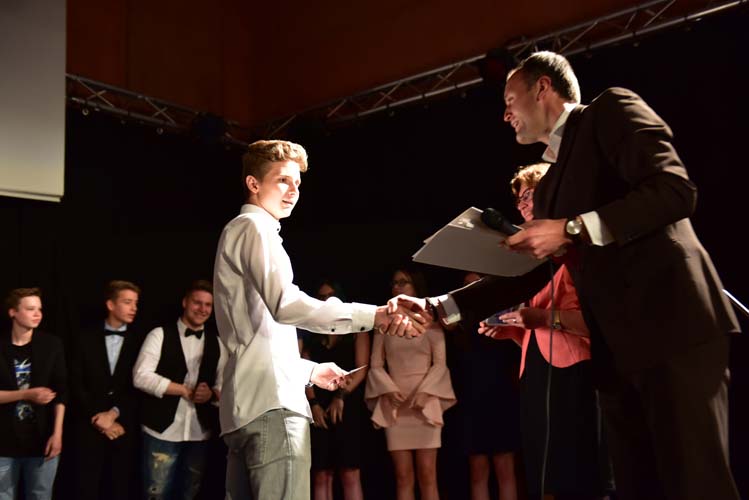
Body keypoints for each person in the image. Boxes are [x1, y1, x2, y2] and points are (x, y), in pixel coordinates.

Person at [396, 51, 739, 500]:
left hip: (671, 326)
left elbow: (675, 191)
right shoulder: (552, 185)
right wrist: (440, 306)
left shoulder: (610, 110)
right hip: (616, 351)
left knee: (696, 483)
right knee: (640, 487)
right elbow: (535, 270)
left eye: (510, 100)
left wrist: (571, 228)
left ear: (543, 87)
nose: (505, 115)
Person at [212, 139, 427, 500]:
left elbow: (253, 337)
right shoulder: (254, 228)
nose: (293, 191)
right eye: (283, 180)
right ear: (253, 183)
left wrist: (309, 371)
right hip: (271, 409)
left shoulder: (238, 231)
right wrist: (374, 314)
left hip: (244, 409)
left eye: (297, 183)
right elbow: (286, 305)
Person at [479, 163, 612, 500]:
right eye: (519, 199)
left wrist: (543, 318)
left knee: (576, 475)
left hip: (575, 372)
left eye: (529, 195)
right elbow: (537, 326)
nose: (522, 204)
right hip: (535, 372)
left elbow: (601, 323)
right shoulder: (528, 262)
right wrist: (512, 331)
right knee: (545, 476)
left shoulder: (577, 251)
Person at [365, 266, 456, 500]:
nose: (398, 287)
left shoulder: (431, 323)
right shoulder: (384, 324)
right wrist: (388, 390)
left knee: (428, 475)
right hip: (396, 405)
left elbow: (440, 364)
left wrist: (425, 392)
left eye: (403, 282)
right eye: (395, 283)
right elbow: (376, 365)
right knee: (403, 476)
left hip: (425, 403)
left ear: (416, 286)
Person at [133, 280, 227, 500]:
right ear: (185, 302)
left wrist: (212, 394)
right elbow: (140, 376)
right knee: (156, 493)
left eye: (208, 305)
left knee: (189, 494)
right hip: (161, 431)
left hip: (199, 432)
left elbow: (225, 386)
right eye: (197, 302)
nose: (202, 309)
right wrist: (183, 390)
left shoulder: (218, 343)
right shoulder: (159, 334)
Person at [68, 280, 143, 500]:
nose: (134, 308)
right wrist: (97, 417)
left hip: (123, 426)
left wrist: (113, 415)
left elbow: (138, 386)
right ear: (110, 305)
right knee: (85, 487)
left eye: (136, 303)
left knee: (119, 487)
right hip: (87, 425)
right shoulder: (83, 337)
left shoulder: (141, 341)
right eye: (127, 302)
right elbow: (75, 382)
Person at [449, 271, 520, 500]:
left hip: (501, 394)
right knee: (478, 469)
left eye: (477, 283)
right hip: (470, 397)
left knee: (504, 466)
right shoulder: (459, 318)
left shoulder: (500, 312)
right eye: (466, 285)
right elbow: (445, 320)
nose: (471, 289)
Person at [302, 280, 369, 500]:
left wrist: (340, 396)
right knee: (322, 473)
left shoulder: (356, 330)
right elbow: (304, 371)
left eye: (331, 295)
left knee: (350, 472)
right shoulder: (311, 333)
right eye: (321, 297)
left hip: (347, 404)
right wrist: (314, 404)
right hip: (318, 407)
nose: (326, 301)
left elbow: (361, 369)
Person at [0, 288, 67, 500]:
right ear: (13, 312)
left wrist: (57, 434)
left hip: (42, 438)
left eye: (39, 309)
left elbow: (62, 392)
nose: (37, 314)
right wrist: (26, 394)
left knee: (40, 495)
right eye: (30, 309)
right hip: (4, 440)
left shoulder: (51, 344)